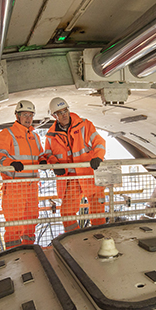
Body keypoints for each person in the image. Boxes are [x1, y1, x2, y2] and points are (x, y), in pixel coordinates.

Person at [45, 97, 106, 232]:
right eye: (60, 113)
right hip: (71, 177)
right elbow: (48, 154)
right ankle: (75, 238)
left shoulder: (85, 125)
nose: (64, 114)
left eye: (65, 110)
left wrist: (98, 157)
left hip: (90, 174)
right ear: (54, 116)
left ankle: (99, 237)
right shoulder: (51, 135)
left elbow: (99, 142)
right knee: (67, 213)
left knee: (97, 211)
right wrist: (55, 165)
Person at [0, 100, 47, 248]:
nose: (28, 118)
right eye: (25, 115)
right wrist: (11, 163)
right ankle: (13, 256)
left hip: (32, 187)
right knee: (14, 223)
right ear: (17, 116)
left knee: (31, 221)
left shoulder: (35, 137)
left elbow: (41, 154)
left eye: (31, 115)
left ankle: (29, 250)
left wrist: (43, 161)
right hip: (15, 187)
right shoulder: (7, 134)